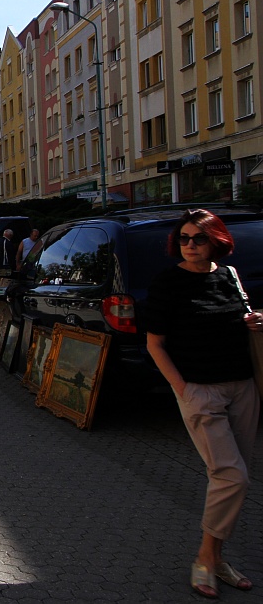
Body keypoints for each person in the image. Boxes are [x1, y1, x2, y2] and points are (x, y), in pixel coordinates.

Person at [145, 209, 263, 599]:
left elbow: (240, 316)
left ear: (216, 240)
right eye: (184, 238)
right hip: (201, 392)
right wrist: (183, 389)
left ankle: (215, 558)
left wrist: (254, 321)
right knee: (233, 476)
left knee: (230, 479)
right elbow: (155, 344)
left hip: (243, 387)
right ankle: (206, 558)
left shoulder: (228, 276)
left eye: (198, 238)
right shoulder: (167, 283)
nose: (191, 245)